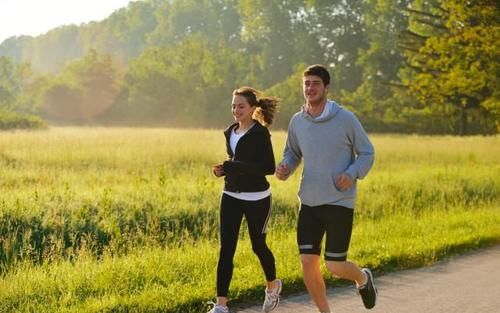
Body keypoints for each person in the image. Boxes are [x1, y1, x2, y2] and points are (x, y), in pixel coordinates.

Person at [275, 64, 377, 312]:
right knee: (307, 261)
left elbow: (367, 152)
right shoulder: (298, 121)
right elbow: (293, 152)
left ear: (326, 88)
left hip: (339, 201)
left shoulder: (345, 119)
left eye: (315, 83)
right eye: (306, 83)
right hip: (309, 201)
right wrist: (286, 166)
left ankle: (363, 278)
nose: (310, 88)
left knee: (334, 265)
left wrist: (352, 173)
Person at [208, 87, 282, 313]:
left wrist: (234, 166)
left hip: (258, 198)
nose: (236, 110)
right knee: (226, 249)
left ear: (252, 108)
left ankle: (272, 286)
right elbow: (236, 161)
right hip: (230, 196)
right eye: (233, 106)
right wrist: (223, 171)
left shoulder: (260, 134)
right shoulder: (230, 132)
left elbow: (268, 168)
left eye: (241, 106)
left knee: (258, 246)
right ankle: (221, 305)